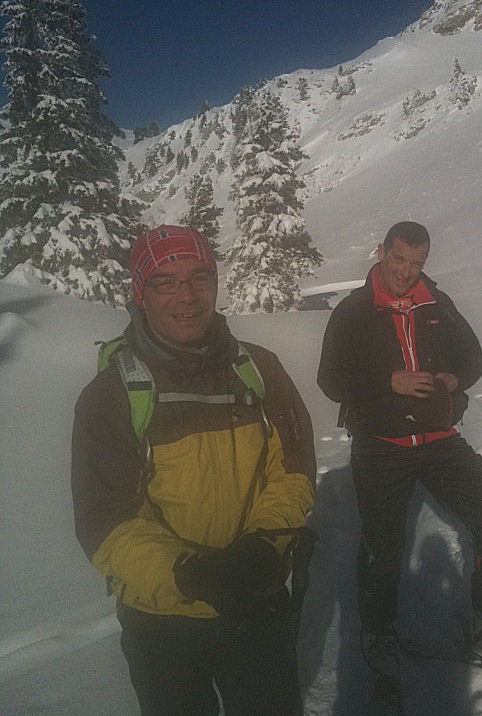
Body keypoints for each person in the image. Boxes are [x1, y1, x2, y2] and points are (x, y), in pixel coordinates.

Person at [72, 224, 316, 716]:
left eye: (199, 278)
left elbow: (293, 470)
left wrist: (264, 545)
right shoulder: (111, 395)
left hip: (255, 596)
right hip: (162, 618)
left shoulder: (260, 369)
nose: (186, 295)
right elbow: (105, 522)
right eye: (165, 281)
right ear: (140, 294)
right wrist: (190, 574)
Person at [317, 221, 482, 680]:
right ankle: (377, 633)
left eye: (417, 263)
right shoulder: (354, 311)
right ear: (381, 252)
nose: (406, 272)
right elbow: (330, 380)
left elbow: (473, 359)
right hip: (380, 445)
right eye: (399, 260)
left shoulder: (437, 303)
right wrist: (387, 381)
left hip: (441, 442)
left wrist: (455, 378)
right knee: (383, 547)